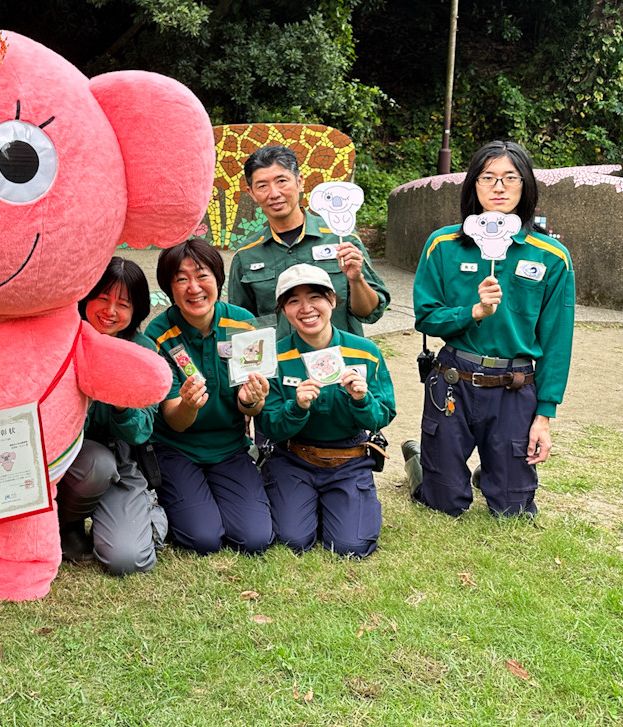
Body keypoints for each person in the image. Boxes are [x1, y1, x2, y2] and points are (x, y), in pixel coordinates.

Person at [405, 141, 574, 517]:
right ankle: (419, 463)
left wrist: (544, 416)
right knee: (443, 502)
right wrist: (473, 312)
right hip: (453, 381)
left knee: (513, 509)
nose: (499, 187)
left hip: (514, 386)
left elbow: (557, 341)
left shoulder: (550, 255)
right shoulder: (443, 244)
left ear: (525, 185)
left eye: (510, 177)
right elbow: (426, 317)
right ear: (473, 185)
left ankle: (497, 469)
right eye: (488, 177)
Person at [144, 239, 273, 555]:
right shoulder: (158, 335)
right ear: (169, 289)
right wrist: (188, 404)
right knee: (203, 539)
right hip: (177, 449)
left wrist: (252, 399)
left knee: (254, 539)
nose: (193, 287)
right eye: (180, 279)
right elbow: (175, 421)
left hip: (230, 447)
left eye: (202, 275)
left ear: (218, 279)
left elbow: (252, 405)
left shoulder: (243, 324)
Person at [261, 264, 395, 557]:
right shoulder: (275, 357)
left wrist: (362, 399)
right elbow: (270, 425)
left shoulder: (364, 351)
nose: (306, 308)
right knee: (293, 540)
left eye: (315, 297)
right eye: (293, 301)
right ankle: (307, 504)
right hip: (293, 458)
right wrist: (296, 407)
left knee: (351, 547)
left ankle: (342, 505)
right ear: (284, 310)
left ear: (333, 300)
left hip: (348, 460)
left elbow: (383, 414)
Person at [57, 257, 168, 575]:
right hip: (62, 451)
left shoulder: (143, 351)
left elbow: (140, 432)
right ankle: (67, 526)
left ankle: (150, 515)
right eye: (102, 298)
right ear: (86, 297)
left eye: (123, 303)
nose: (110, 311)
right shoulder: (62, 338)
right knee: (94, 463)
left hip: (120, 457)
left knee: (127, 559)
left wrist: (121, 402)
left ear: (137, 311)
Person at [229, 144, 389, 338]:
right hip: (282, 365)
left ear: (300, 182)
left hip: (340, 362)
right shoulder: (246, 255)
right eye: (262, 186)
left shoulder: (342, 238)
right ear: (252, 193)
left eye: (282, 181)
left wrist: (356, 280)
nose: (274, 193)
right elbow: (242, 327)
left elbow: (371, 313)